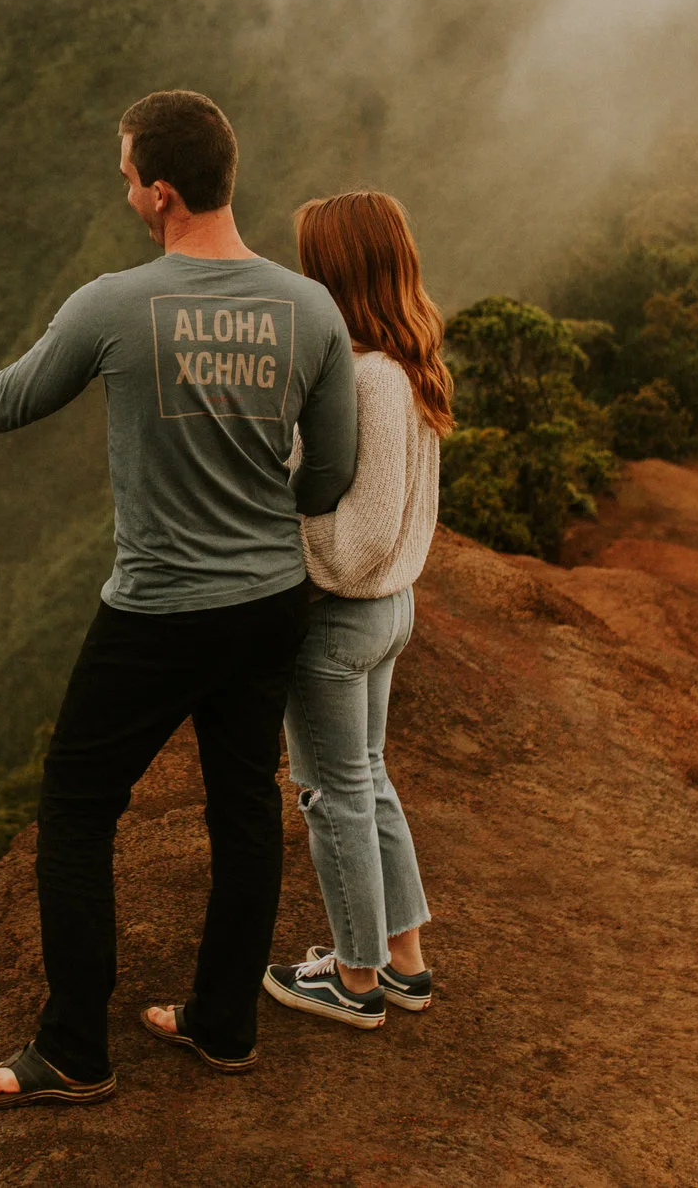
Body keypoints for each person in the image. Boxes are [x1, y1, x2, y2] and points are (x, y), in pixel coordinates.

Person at [0, 90, 358, 1108]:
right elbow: (328, 477)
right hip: (269, 600)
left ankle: (73, 1046)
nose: (122, 192)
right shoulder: (311, 309)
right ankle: (224, 1021)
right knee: (243, 805)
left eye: (125, 178)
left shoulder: (113, 303)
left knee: (75, 804)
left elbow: (14, 396)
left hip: (156, 611)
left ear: (160, 194)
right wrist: (253, 513)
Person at [258, 191, 449, 1030]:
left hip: (342, 617)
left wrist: (282, 537)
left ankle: (355, 977)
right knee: (367, 780)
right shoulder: (409, 364)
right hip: (392, 608)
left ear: (339, 270)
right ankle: (403, 960)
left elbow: (360, 535)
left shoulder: (368, 377)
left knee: (329, 792)